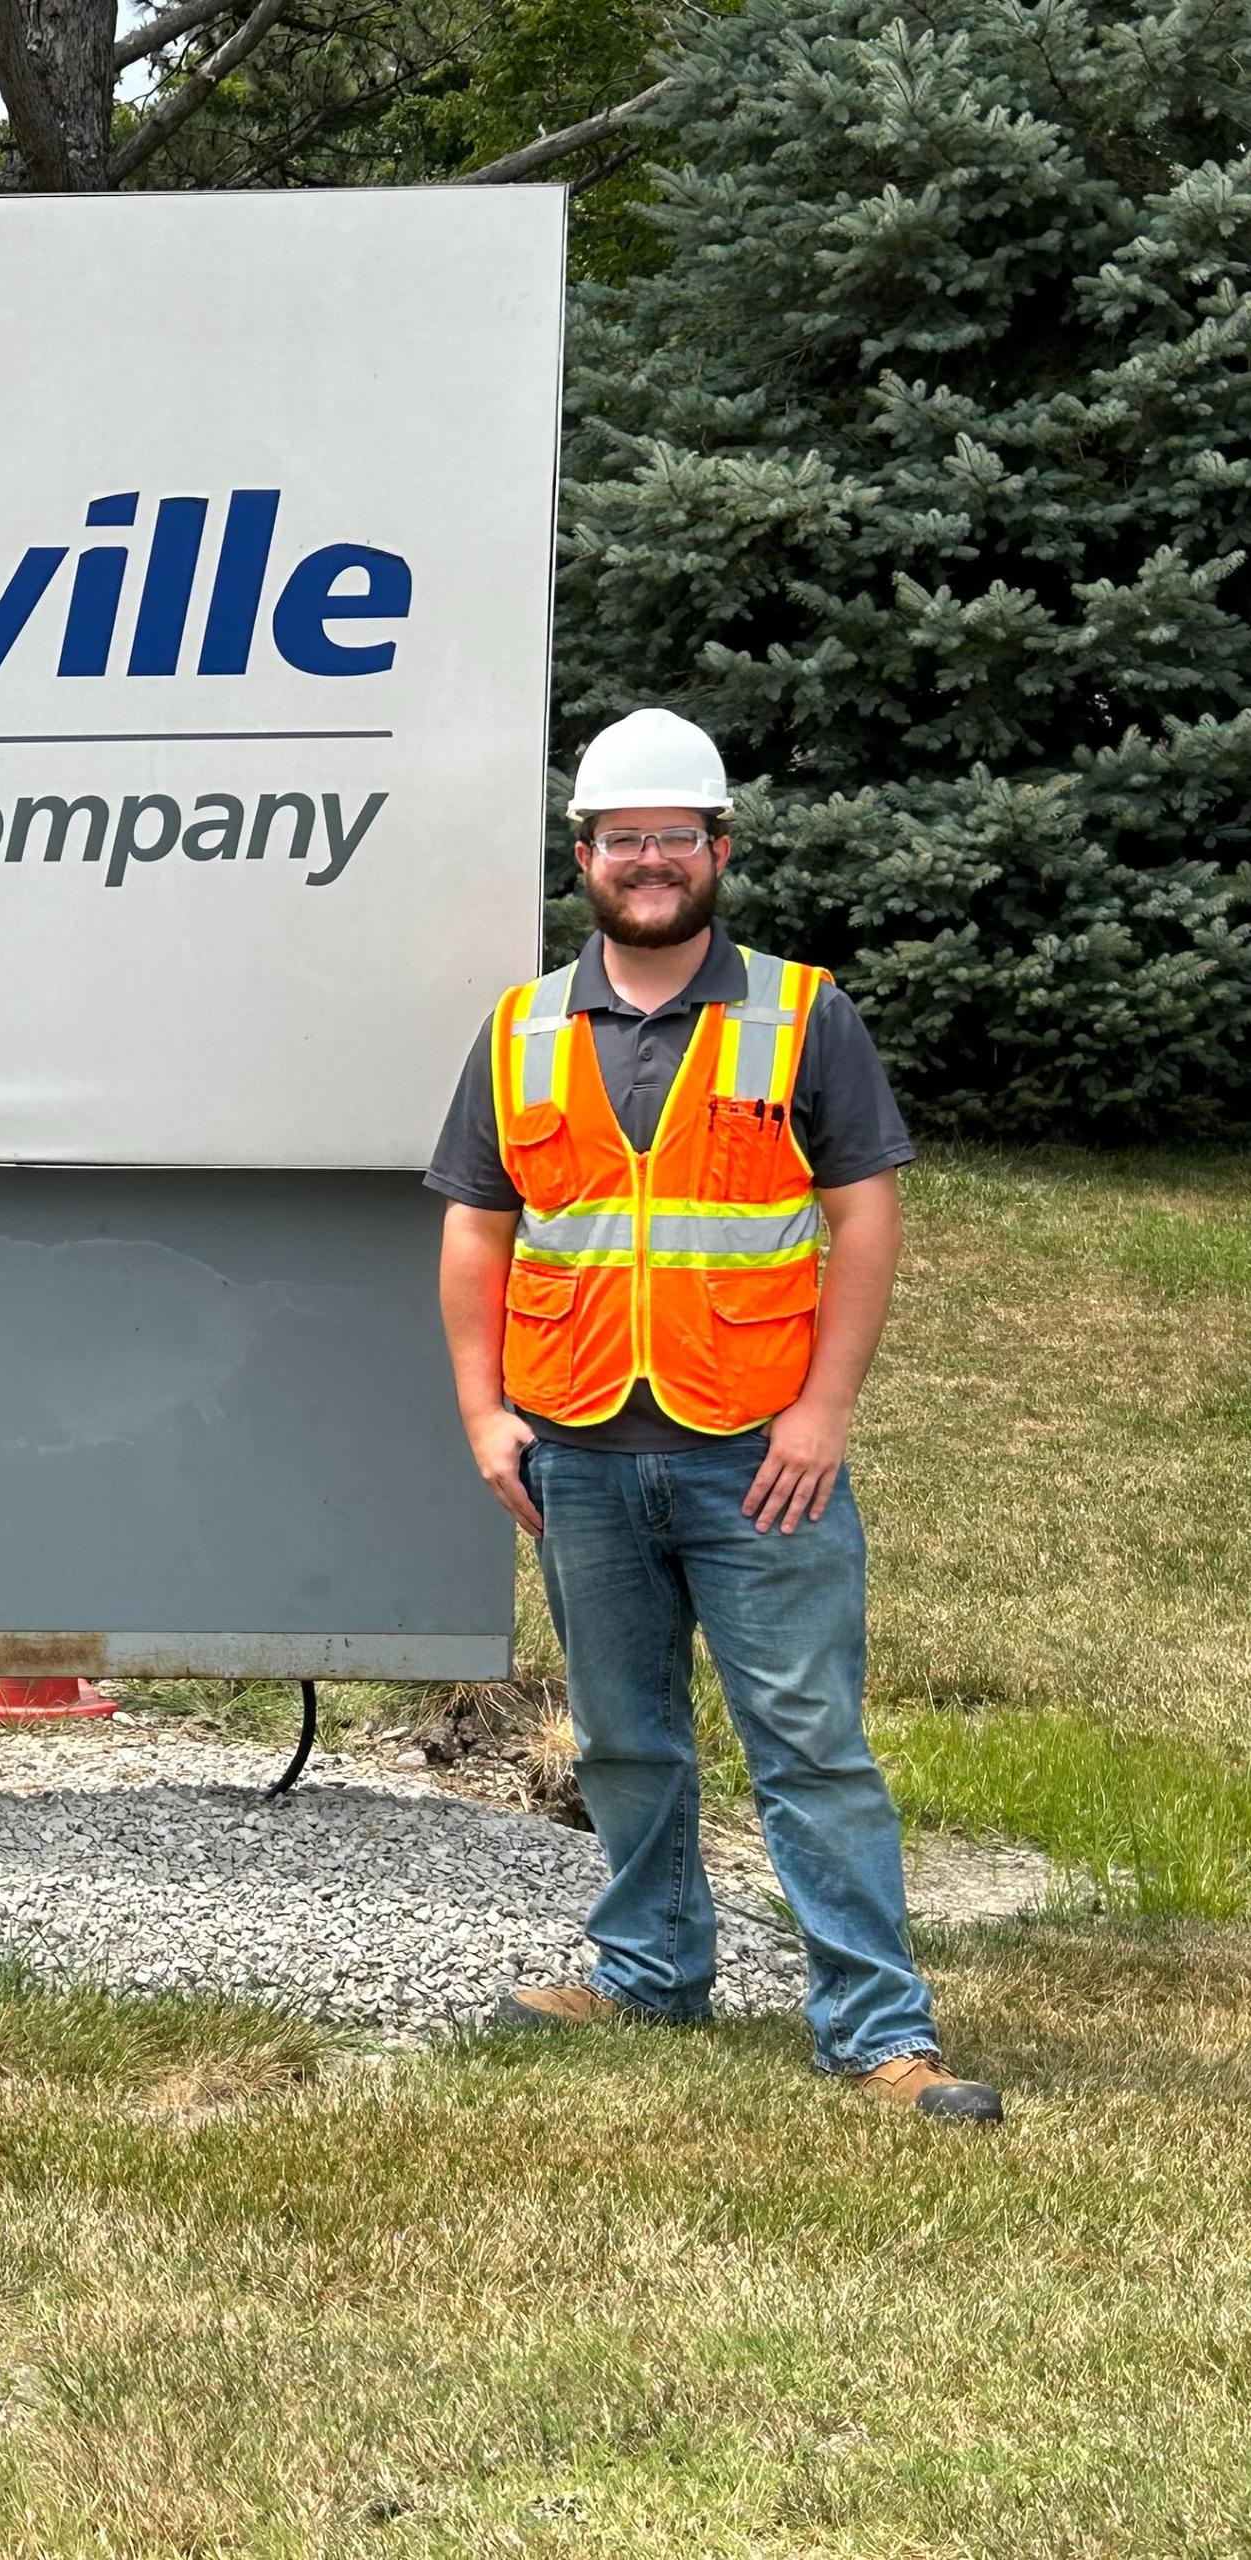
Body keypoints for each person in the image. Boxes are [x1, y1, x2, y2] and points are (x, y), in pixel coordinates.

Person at [425, 707, 1001, 2123]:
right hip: (576, 1450)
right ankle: (648, 1974)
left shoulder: (802, 1015)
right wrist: (484, 1415)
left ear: (718, 851)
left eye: (674, 837)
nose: (649, 861)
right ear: (583, 856)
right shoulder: (521, 1029)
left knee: (809, 1744)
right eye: (623, 839)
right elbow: (476, 1232)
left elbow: (864, 1216)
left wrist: (823, 1412)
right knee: (623, 1739)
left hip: (757, 1456)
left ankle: (876, 2031)